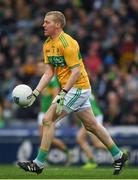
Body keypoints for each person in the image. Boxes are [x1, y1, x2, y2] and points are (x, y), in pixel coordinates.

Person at [17, 11, 128, 175]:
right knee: (92, 126)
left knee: (47, 120)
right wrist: (35, 93)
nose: (43, 25)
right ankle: (118, 156)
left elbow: (76, 72)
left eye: (47, 22)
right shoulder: (47, 44)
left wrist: (62, 93)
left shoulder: (68, 43)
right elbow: (49, 73)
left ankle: (38, 164)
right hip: (72, 89)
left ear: (58, 25)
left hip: (78, 87)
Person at [76, 93, 105, 169]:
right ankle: (91, 161)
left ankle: (121, 153)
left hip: (92, 117)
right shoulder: (86, 90)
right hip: (90, 116)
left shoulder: (78, 91)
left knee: (97, 144)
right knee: (80, 138)